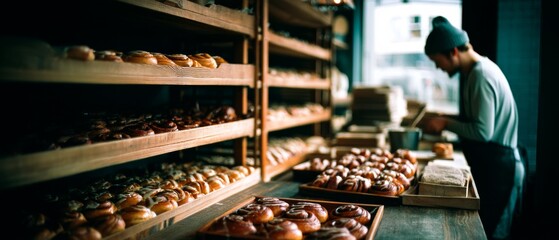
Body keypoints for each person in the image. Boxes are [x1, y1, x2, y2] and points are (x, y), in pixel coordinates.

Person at [420, 16, 525, 240]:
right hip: (493, 164)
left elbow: (482, 131)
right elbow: (477, 120)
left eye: (438, 61)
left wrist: (446, 123)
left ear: (453, 52)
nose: (438, 68)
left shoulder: (481, 75)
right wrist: (443, 117)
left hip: (501, 169)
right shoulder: (474, 72)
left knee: (490, 234)